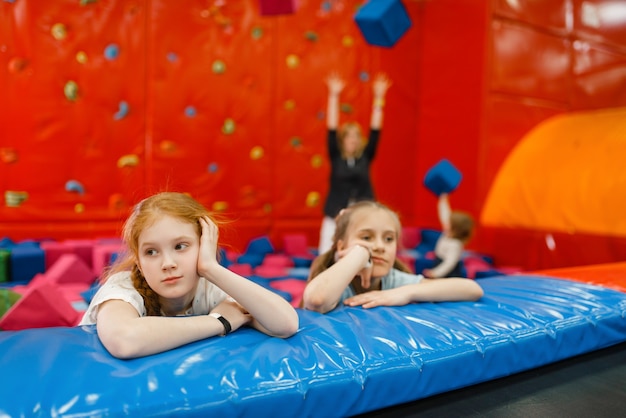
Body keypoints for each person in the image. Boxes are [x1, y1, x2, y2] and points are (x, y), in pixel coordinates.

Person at [79, 192, 299, 359]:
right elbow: (124, 340)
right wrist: (219, 322)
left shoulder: (209, 286)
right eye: (151, 252)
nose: (168, 264)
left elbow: (286, 324)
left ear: (203, 245)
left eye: (181, 246)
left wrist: (211, 268)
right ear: (138, 260)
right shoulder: (123, 288)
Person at [303, 200, 484, 314]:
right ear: (342, 246)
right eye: (366, 238)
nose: (380, 246)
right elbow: (317, 299)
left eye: (389, 239)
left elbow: (472, 289)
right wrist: (359, 254)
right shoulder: (336, 279)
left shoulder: (393, 280)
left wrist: (405, 292)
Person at [318, 71, 392, 254]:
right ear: (343, 140)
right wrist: (334, 96)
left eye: (356, 137)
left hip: (362, 215)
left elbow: (376, 129)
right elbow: (332, 128)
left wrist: (378, 98)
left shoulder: (365, 157)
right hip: (335, 214)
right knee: (327, 254)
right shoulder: (336, 157)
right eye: (348, 137)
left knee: (361, 254)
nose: (352, 140)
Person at [423, 193, 475, 278]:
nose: (445, 223)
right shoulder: (447, 233)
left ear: (455, 228)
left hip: (449, 272)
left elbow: (449, 263)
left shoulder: (455, 244)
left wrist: (436, 273)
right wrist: (443, 200)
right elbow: (444, 214)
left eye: (449, 223)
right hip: (439, 262)